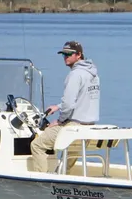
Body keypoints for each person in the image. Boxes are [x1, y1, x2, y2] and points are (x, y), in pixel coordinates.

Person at [31, 41, 100, 173]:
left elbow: (69, 105)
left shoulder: (75, 74)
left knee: (37, 145)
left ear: (79, 55)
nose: (65, 57)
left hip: (73, 127)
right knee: (72, 152)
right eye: (63, 54)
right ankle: (61, 179)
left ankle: (41, 182)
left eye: (69, 54)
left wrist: (60, 121)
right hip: (89, 126)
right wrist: (58, 106)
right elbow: (81, 98)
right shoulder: (93, 74)